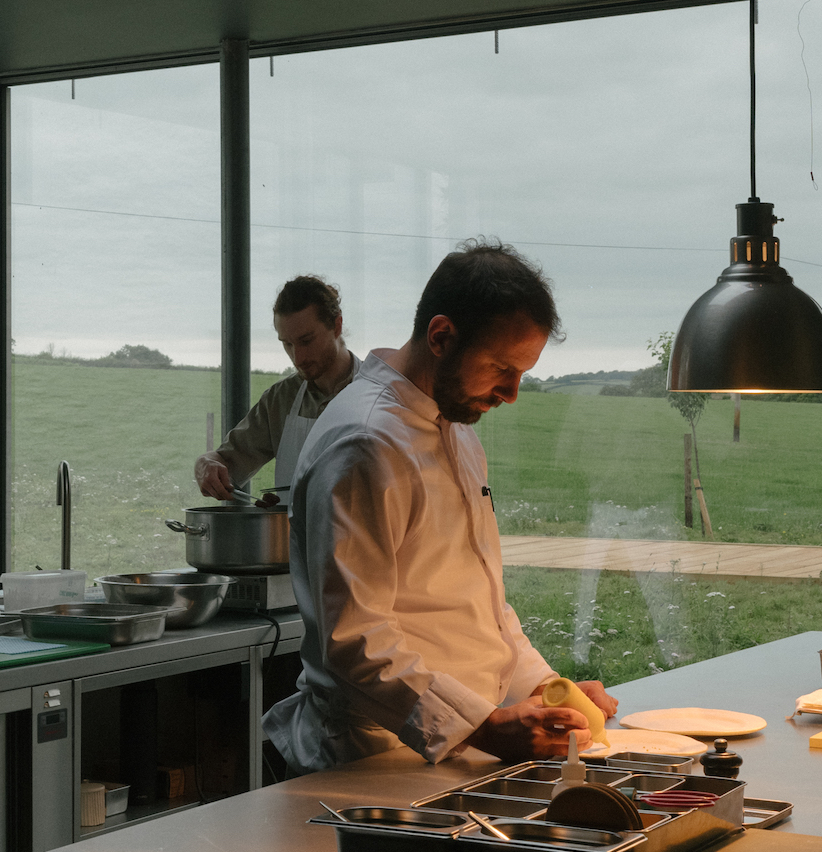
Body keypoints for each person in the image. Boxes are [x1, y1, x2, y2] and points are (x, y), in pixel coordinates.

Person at [264, 240, 616, 776]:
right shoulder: (365, 443)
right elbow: (355, 641)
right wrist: (484, 727)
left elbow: (477, 603)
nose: (512, 393)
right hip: (374, 760)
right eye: (501, 367)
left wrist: (544, 688)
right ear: (441, 336)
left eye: (522, 372)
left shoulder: (454, 426)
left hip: (461, 747)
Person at [194, 275, 358, 501]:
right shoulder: (281, 400)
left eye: (306, 341)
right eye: (287, 344)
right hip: (290, 526)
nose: (297, 358)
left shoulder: (379, 393)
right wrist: (205, 464)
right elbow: (227, 461)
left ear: (337, 326)